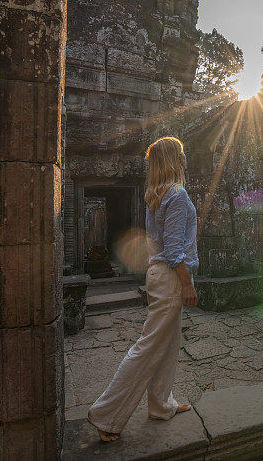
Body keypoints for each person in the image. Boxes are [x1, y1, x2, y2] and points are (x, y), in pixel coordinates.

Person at [87, 136, 199, 442]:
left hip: (159, 274)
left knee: (169, 343)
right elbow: (174, 250)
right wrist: (187, 284)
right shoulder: (175, 195)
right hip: (171, 277)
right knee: (148, 347)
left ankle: (161, 405)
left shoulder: (156, 194)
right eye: (181, 154)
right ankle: (106, 415)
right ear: (174, 159)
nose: (185, 159)